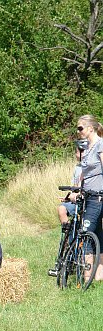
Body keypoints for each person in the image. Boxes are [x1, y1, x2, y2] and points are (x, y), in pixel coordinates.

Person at [70, 115, 103, 279]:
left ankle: (86, 277)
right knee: (97, 234)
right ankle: (99, 276)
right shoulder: (88, 147)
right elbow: (84, 172)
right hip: (87, 196)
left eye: (80, 128)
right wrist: (76, 190)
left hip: (98, 196)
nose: (78, 131)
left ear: (90, 128)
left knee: (85, 232)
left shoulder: (101, 145)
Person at [57, 141, 86, 227]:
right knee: (61, 209)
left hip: (88, 199)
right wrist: (68, 197)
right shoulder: (77, 167)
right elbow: (75, 187)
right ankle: (68, 231)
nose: (75, 155)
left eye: (76, 152)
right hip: (76, 199)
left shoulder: (92, 167)